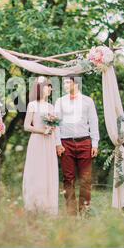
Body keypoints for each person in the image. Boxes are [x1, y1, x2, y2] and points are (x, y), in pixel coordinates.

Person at [54, 74, 100, 216]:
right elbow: (56, 124)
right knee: (68, 178)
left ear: (76, 84)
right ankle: (70, 211)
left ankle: (84, 209)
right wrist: (57, 143)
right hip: (66, 143)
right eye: (64, 83)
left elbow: (93, 122)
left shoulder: (88, 101)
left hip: (84, 142)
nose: (65, 86)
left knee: (86, 179)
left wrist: (95, 143)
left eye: (68, 83)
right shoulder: (60, 101)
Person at [22, 76, 59, 215]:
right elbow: (26, 126)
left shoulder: (51, 106)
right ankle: (34, 203)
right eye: (47, 86)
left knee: (48, 170)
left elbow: (54, 126)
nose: (50, 89)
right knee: (36, 170)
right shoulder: (32, 105)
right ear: (40, 88)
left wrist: (52, 129)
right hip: (37, 140)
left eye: (50, 86)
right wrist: (42, 130)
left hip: (48, 142)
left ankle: (48, 204)